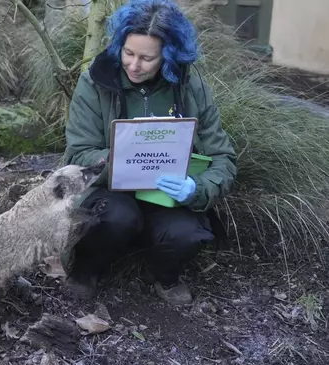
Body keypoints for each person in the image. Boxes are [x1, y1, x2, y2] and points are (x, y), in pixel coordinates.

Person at [61, 0, 237, 305]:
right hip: (109, 190)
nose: (133, 65)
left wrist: (197, 189)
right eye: (128, 53)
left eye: (147, 58)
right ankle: (86, 270)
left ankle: (166, 276)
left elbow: (223, 158)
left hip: (166, 194)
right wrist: (125, 161)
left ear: (167, 57)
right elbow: (79, 153)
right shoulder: (95, 81)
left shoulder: (189, 86)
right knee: (116, 217)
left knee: (186, 232)